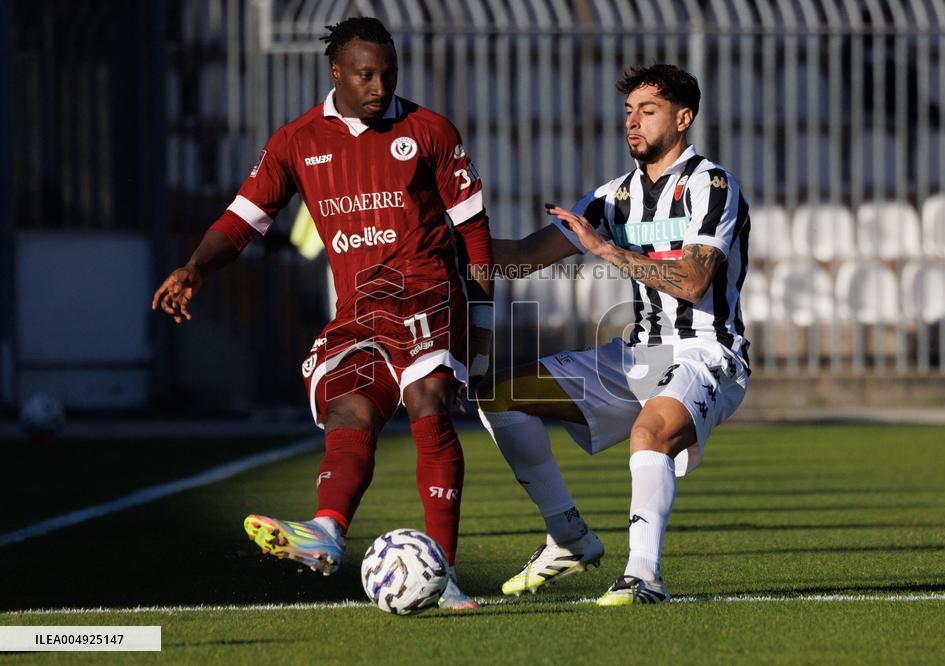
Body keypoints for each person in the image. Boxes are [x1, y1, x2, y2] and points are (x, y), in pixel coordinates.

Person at [152, 17, 493, 610]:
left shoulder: (430, 130)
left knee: (428, 403)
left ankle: (447, 574)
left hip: (428, 294)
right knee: (350, 408)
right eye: (366, 74)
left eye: (388, 74)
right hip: (359, 309)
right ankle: (327, 532)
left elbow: (472, 223)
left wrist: (483, 317)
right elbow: (242, 220)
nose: (380, 86)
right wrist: (195, 269)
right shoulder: (296, 141)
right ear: (335, 72)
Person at [477, 63, 751, 605]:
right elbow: (523, 259)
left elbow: (695, 281)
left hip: (706, 351)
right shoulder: (612, 197)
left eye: (648, 111)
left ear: (683, 118)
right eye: (629, 111)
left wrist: (607, 251)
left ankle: (643, 576)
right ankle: (568, 537)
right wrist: (445, 235)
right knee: (501, 397)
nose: (633, 122)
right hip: (637, 355)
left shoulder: (712, 185)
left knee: (648, 432)